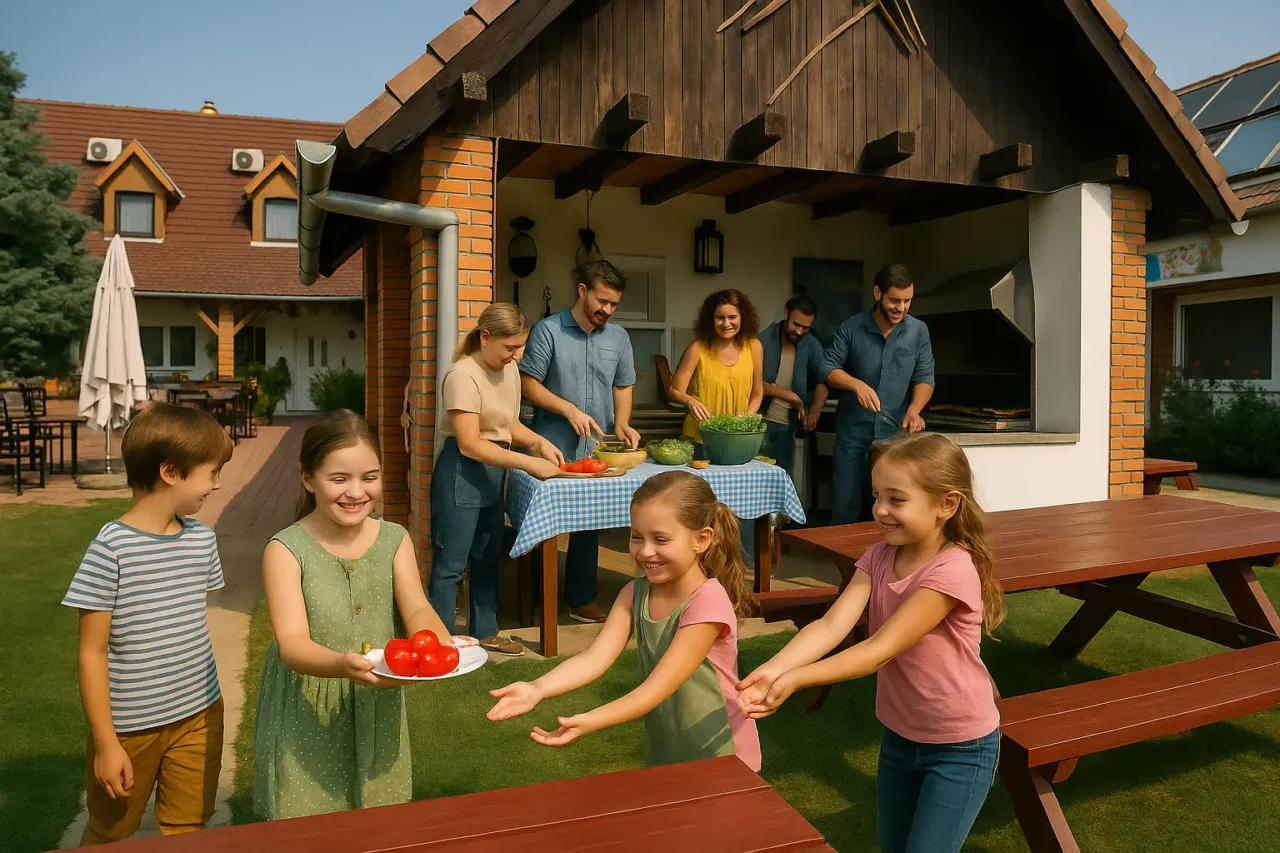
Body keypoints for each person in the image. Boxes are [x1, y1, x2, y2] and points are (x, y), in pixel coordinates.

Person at [738, 434, 1004, 853]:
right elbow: (830, 626)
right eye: (877, 495)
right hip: (900, 736)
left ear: (946, 505)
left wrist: (795, 681)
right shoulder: (879, 555)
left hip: (959, 746)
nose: (880, 509)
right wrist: (774, 669)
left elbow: (879, 648)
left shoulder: (951, 570)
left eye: (897, 499)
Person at [254, 411, 466, 819]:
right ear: (307, 479)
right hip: (307, 708)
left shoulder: (394, 538)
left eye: (369, 477)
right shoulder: (285, 550)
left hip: (377, 700)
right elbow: (293, 644)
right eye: (339, 479)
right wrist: (340, 664)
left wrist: (438, 643)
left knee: (378, 818)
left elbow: (418, 607)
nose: (356, 492)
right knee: (306, 822)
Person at [487, 471, 761, 771]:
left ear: (702, 539)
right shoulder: (635, 592)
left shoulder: (707, 602)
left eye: (660, 539)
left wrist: (592, 720)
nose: (645, 552)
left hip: (722, 753)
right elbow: (596, 656)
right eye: (636, 537)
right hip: (670, 747)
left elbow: (654, 690)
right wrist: (538, 688)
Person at [62, 403, 234, 844]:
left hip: (200, 714)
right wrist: (105, 743)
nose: (216, 485)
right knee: (111, 831)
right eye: (211, 473)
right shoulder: (111, 549)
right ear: (172, 472)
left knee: (189, 828)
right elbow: (91, 652)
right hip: (129, 728)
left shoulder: (202, 539)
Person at [430, 302, 563, 656]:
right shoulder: (462, 375)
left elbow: (506, 425)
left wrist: (537, 441)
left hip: (493, 475)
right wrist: (528, 464)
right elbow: (471, 444)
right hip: (461, 473)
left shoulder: (509, 372)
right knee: (451, 566)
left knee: (488, 559)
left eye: (520, 346)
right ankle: (443, 644)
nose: (517, 355)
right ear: (485, 337)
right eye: (511, 347)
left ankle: (486, 632)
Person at [520, 260, 640, 623]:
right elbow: (527, 384)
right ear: (583, 291)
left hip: (597, 448)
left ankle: (580, 598)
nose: (607, 310)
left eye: (614, 304)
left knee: (589, 524)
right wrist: (567, 409)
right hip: (549, 444)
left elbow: (623, 384)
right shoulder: (548, 331)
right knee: (544, 525)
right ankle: (536, 598)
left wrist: (622, 422)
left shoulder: (619, 338)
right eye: (602, 301)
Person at [820, 264, 935, 524]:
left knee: (889, 509)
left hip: (893, 437)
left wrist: (915, 410)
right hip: (852, 435)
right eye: (895, 300)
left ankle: (881, 564)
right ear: (877, 294)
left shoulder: (918, 331)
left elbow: (925, 377)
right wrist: (855, 384)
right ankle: (847, 564)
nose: (901, 308)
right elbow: (826, 367)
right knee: (846, 508)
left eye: (907, 301)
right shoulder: (851, 328)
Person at [760, 294, 829, 473]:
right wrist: (789, 396)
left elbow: (824, 378)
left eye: (805, 327)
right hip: (759, 420)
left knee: (783, 477)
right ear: (786, 314)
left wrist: (815, 411)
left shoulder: (812, 344)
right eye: (795, 324)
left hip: (788, 426)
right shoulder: (764, 340)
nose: (798, 331)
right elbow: (753, 383)